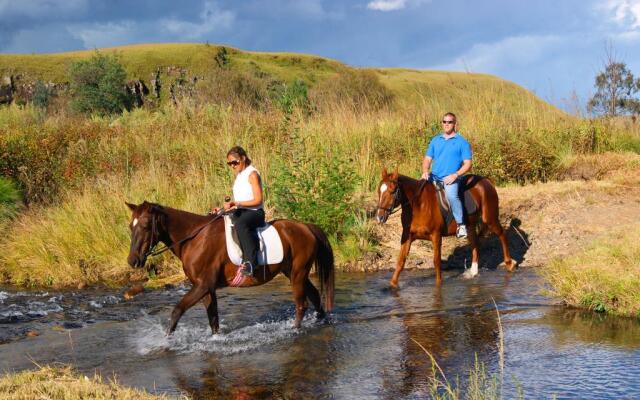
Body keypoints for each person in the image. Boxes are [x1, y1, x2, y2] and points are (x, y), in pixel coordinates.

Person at [213, 146, 265, 276]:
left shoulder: (252, 174)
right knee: (217, 218)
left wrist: (237, 204)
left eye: (235, 162)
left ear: (243, 158)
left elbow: (258, 200)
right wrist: (222, 209)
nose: (232, 166)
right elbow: (238, 202)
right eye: (229, 163)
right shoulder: (239, 176)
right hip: (242, 211)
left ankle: (251, 263)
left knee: (241, 224)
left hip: (255, 213)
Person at [421, 112, 472, 238]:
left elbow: (468, 164)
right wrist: (425, 171)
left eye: (450, 122)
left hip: (451, 178)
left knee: (452, 196)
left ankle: (461, 225)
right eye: (444, 122)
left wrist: (455, 175)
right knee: (419, 189)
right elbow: (427, 159)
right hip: (434, 176)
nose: (446, 124)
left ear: (455, 124)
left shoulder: (462, 142)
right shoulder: (435, 140)